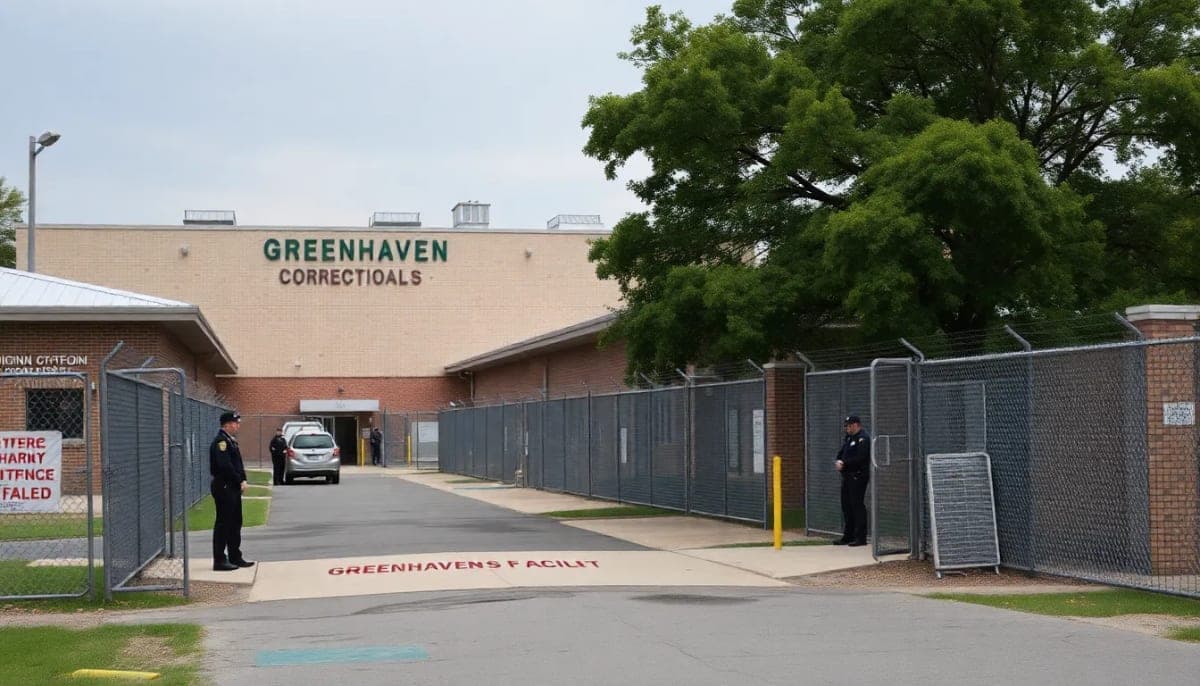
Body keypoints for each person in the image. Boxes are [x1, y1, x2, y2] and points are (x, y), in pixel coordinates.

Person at [210, 411, 254, 571]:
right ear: (227, 424)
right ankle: (220, 559)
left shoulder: (230, 441)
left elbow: (237, 464)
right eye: (235, 423)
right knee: (224, 523)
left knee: (235, 523)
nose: (238, 425)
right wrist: (238, 480)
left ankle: (235, 556)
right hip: (225, 486)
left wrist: (243, 479)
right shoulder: (221, 442)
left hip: (233, 487)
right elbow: (225, 466)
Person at [834, 415, 871, 547]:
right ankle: (848, 536)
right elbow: (842, 452)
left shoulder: (863, 438)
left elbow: (861, 458)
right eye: (846, 426)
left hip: (858, 476)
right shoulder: (849, 438)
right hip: (847, 476)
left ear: (856, 425)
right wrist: (839, 460)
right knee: (846, 506)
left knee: (857, 505)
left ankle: (860, 537)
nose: (847, 428)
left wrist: (844, 463)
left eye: (849, 426)